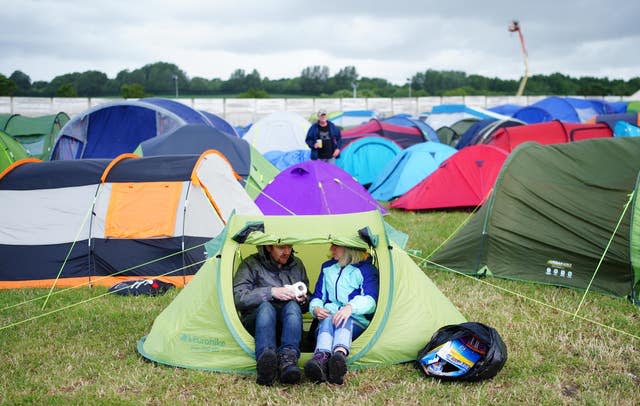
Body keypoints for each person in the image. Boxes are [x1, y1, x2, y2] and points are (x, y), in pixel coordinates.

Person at [233, 244, 309, 386]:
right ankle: (266, 361)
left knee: (293, 306)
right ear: (268, 247)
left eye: (290, 247)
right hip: (257, 323)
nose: (287, 252)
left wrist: (303, 300)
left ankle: (288, 360)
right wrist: (271, 292)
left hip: (285, 326)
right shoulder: (251, 264)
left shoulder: (297, 264)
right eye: (281, 247)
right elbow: (239, 297)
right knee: (266, 307)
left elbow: (306, 299)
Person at [304, 244, 379, 384]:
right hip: (329, 320)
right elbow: (318, 297)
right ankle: (323, 358)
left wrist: (350, 307)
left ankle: (338, 357)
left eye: (335, 246)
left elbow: (371, 300)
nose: (331, 249)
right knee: (328, 319)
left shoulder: (367, 270)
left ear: (349, 249)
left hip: (355, 321)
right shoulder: (328, 267)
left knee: (344, 320)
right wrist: (316, 309)